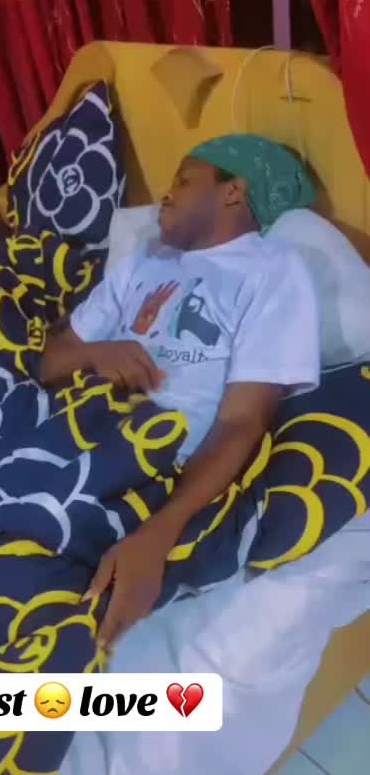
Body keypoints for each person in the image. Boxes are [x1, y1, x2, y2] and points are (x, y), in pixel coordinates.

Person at [40, 134, 320, 650]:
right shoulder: (145, 260)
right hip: (61, 426)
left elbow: (241, 422)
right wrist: (96, 353)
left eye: (184, 181)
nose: (165, 195)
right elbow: (49, 362)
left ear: (233, 191)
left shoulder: (273, 270)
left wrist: (159, 531)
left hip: (141, 460)